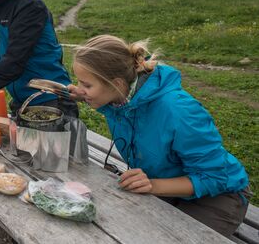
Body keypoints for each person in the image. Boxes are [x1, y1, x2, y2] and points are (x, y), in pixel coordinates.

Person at [68, 34, 251, 236]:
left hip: (217, 196)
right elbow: (124, 113)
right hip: (166, 182)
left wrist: (153, 185)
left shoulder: (178, 111)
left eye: (86, 85)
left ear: (118, 84)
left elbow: (215, 177)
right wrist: (84, 95)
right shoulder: (121, 101)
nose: (79, 88)